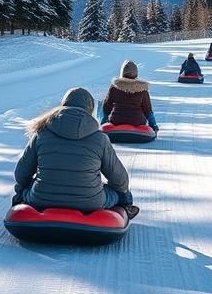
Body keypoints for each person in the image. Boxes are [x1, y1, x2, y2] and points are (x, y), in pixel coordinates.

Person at [13, 87, 138, 218]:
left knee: (27, 187)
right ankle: (126, 206)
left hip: (41, 199)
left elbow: (21, 174)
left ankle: (19, 200)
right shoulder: (100, 139)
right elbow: (120, 179)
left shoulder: (41, 134)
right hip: (90, 202)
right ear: (90, 110)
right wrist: (122, 192)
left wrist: (24, 188)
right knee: (117, 192)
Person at [101, 60, 159, 133]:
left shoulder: (115, 87)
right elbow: (147, 109)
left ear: (122, 72)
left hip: (117, 120)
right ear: (136, 73)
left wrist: (104, 119)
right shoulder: (142, 89)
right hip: (137, 122)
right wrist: (153, 125)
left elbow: (107, 105)